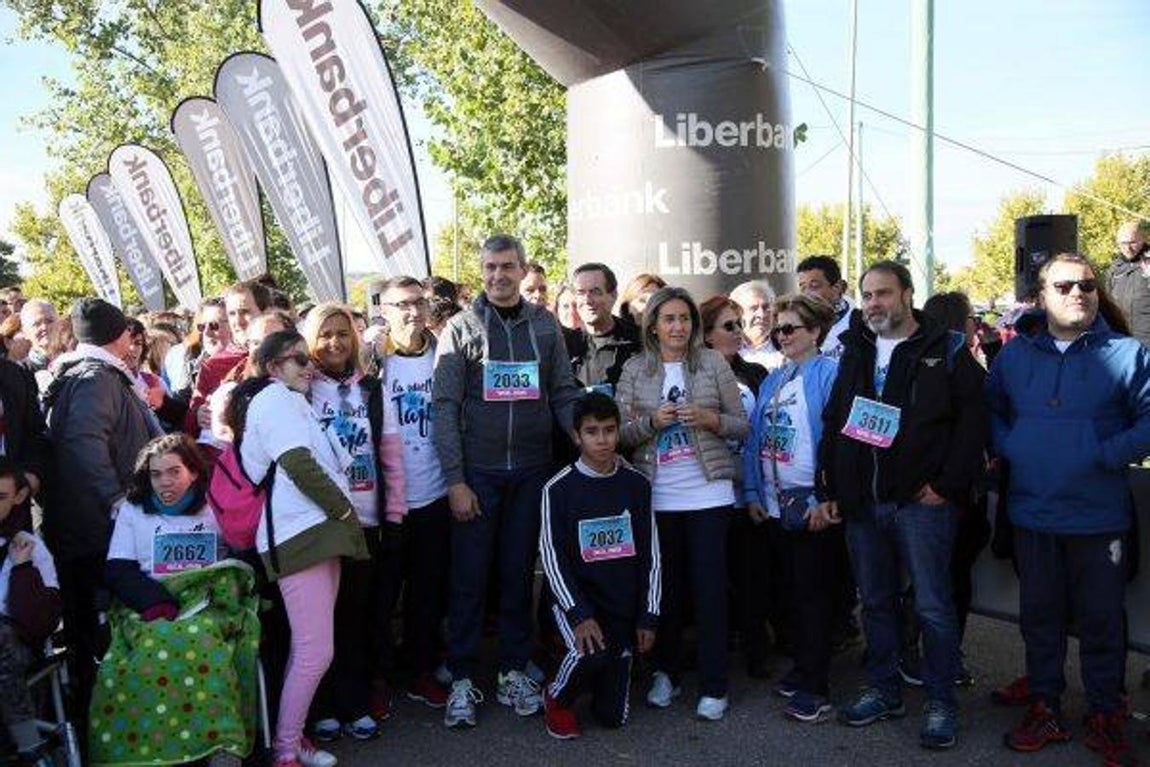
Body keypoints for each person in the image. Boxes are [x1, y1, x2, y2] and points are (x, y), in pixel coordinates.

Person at [988, 253, 1150, 766]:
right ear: (1041, 296)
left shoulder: (1127, 353)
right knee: (1040, 620)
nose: (1078, 292)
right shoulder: (1014, 356)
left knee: (1102, 623)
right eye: (1063, 286)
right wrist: (1012, 445)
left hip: (1099, 516)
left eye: (1086, 284)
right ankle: (1046, 706)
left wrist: (1105, 453)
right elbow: (992, 411)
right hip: (1033, 514)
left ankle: (1105, 712)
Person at [817, 261, 987, 750]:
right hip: (863, 505)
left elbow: (973, 422)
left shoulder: (944, 348)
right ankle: (884, 689)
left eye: (884, 293)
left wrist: (947, 486)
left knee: (932, 606)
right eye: (868, 295)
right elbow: (836, 419)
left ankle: (940, 700)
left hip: (921, 505)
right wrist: (832, 487)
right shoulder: (855, 347)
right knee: (875, 602)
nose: (874, 303)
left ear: (908, 295)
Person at [432, 234, 582, 728]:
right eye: (490, 267)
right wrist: (455, 480)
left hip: (532, 472)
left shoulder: (545, 325)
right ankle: (461, 677)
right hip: (478, 474)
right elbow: (444, 407)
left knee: (518, 576)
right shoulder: (461, 327)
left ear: (522, 269)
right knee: (470, 579)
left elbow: (562, 392)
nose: (498, 275)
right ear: (482, 272)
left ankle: (514, 670)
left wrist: (585, 439)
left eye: (507, 266)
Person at [232, 329, 368, 767]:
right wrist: (343, 512)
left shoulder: (290, 400)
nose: (310, 367)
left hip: (312, 532)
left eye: (308, 359)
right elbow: (298, 464)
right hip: (299, 534)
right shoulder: (273, 399)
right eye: (299, 360)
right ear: (274, 367)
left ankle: (291, 739)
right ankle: (286, 750)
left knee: (307, 648)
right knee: (315, 651)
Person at [616, 286, 748, 722]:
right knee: (665, 593)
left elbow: (741, 426)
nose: (678, 326)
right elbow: (619, 434)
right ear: (653, 325)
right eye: (669, 319)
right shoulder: (635, 368)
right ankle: (666, 673)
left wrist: (710, 419)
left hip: (709, 494)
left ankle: (714, 685)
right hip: (657, 496)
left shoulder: (713, 363)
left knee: (710, 592)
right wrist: (652, 422)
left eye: (685, 318)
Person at [92, 433, 259, 765]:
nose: (164, 482)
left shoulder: (214, 505)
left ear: (193, 472)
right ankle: (151, 748)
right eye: (156, 474)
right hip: (149, 603)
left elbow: (242, 554)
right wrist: (154, 602)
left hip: (210, 602)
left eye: (174, 472)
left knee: (202, 637)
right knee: (153, 643)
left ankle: (221, 745)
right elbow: (119, 569)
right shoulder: (133, 510)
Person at [41, 298, 163, 718]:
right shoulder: (96, 379)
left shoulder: (90, 375)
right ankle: (108, 725)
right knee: (98, 635)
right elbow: (84, 444)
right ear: (118, 335)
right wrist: (116, 501)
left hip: (87, 530)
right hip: (97, 533)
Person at [303, 303, 405, 742]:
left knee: (357, 618)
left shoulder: (373, 390)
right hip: (317, 525)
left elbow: (392, 458)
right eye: (325, 334)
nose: (335, 343)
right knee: (319, 622)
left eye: (343, 333)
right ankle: (322, 706)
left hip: (365, 522)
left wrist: (394, 515)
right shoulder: (300, 390)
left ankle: (355, 702)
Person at [538, 392, 660, 739]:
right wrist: (578, 614)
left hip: (621, 607)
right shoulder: (557, 488)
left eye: (609, 430)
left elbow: (651, 556)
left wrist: (648, 616)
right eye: (592, 432)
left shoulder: (637, 485)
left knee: (612, 717)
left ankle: (598, 676)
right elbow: (552, 558)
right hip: (578, 605)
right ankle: (557, 696)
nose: (602, 440)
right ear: (576, 436)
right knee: (590, 653)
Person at [744, 294, 838, 722]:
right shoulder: (774, 379)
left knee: (813, 597)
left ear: (815, 331)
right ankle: (802, 667)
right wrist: (753, 493)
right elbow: (755, 440)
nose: (780, 336)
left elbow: (837, 442)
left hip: (811, 503)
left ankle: (816, 686)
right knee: (790, 595)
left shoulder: (830, 374)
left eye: (789, 328)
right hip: (775, 503)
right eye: (777, 329)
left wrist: (825, 496)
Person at [376, 277, 452, 707]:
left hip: (435, 492)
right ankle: (378, 675)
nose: (412, 311)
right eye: (401, 304)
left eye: (418, 302)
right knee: (382, 594)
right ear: (384, 311)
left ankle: (421, 668)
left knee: (428, 590)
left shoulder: (444, 352)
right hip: (385, 500)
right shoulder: (372, 358)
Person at [698, 295, 771, 677]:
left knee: (753, 578)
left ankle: (757, 651)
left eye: (739, 324)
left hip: (748, 495)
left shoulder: (756, 374)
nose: (739, 332)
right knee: (710, 580)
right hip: (705, 495)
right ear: (707, 334)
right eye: (729, 326)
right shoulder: (690, 375)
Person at [0, 458, 61, 764]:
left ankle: (28, 743)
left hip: (16, 645)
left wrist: (23, 570)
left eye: (0, 497)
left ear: (19, 497)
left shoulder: (30, 547)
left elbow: (41, 623)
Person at [186, 281, 271, 453]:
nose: (238, 321)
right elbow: (190, 427)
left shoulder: (290, 351)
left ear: (266, 312)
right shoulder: (212, 366)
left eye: (245, 312)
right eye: (232, 314)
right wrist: (197, 415)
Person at [563, 263, 641, 393]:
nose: (587, 300)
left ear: (613, 295)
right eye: (581, 293)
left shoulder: (638, 341)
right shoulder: (566, 345)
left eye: (595, 292)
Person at [797, 255, 853, 359]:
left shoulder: (860, 324)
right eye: (803, 287)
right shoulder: (795, 326)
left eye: (814, 286)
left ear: (837, 287)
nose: (807, 294)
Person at [1107, 220, 1150, 346]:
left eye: (1132, 243)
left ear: (1143, 240)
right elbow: (1107, 304)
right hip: (1122, 340)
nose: (1128, 248)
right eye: (1123, 243)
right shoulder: (1115, 268)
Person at [730, 280, 784, 371]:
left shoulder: (786, 347)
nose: (761, 314)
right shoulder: (726, 350)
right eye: (753, 308)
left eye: (766, 307)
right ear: (736, 314)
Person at [18, 299, 58, 375]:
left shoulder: (76, 362)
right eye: (37, 324)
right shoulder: (19, 372)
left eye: (50, 321)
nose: (45, 327)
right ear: (25, 332)